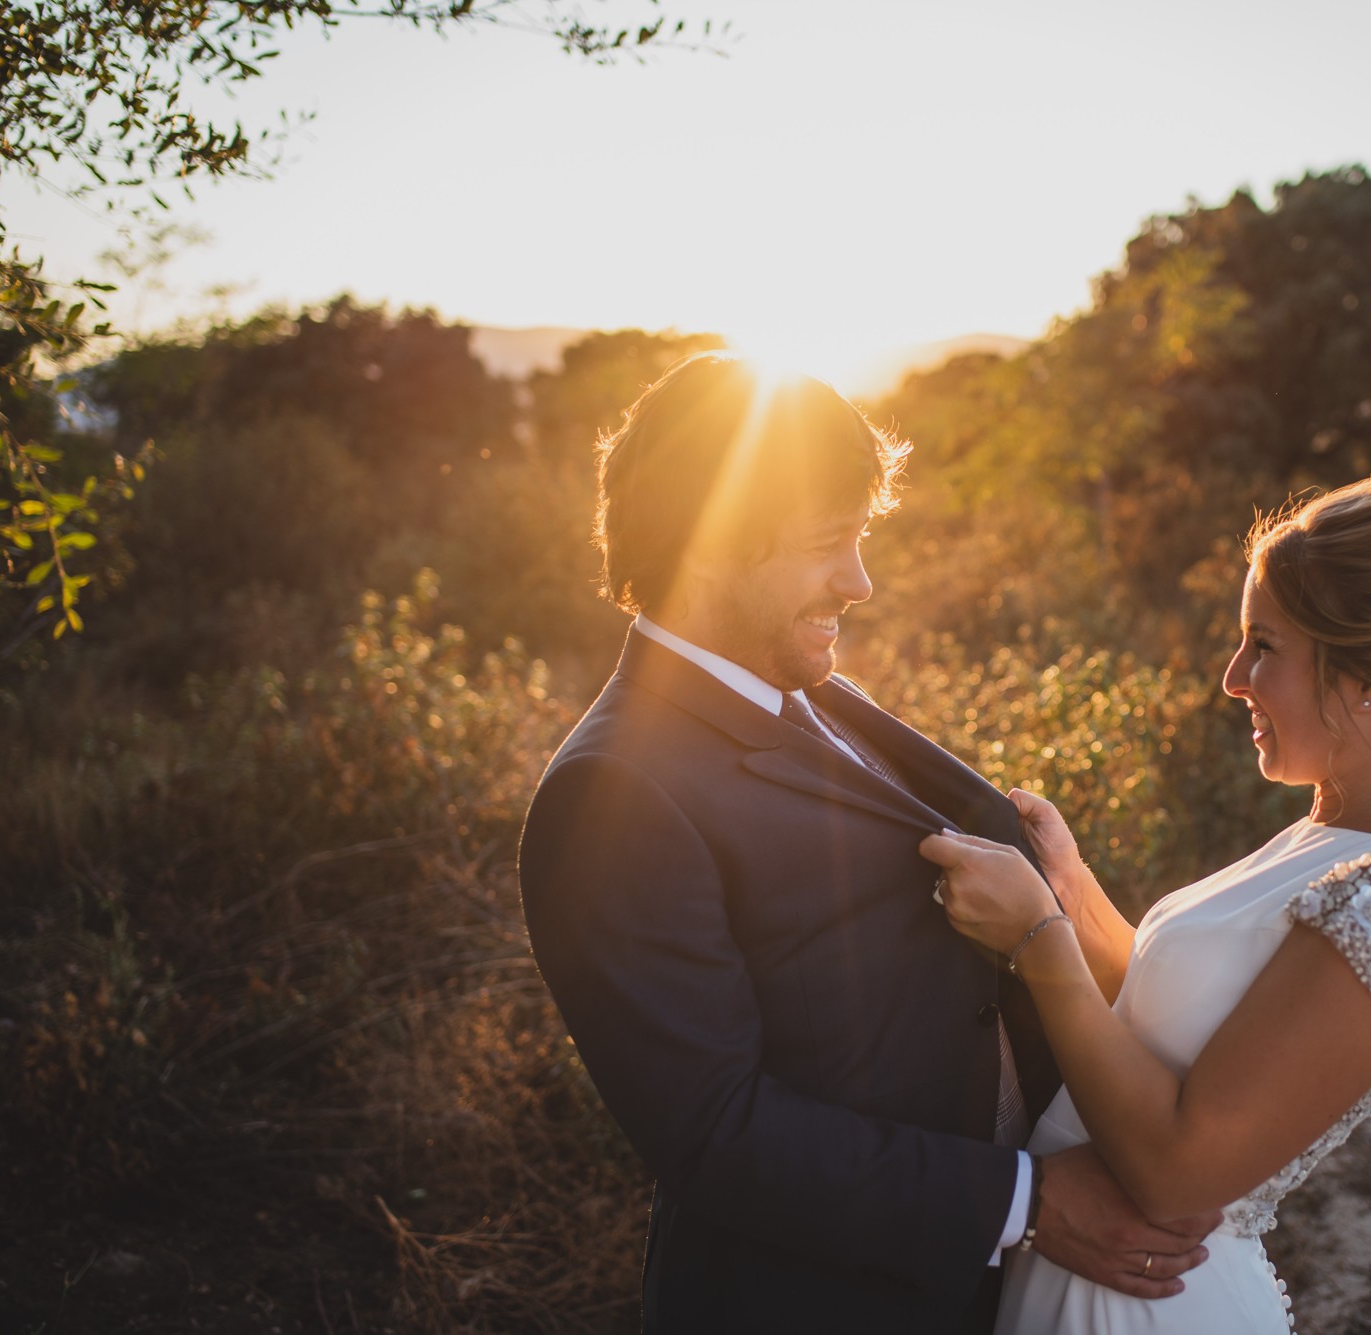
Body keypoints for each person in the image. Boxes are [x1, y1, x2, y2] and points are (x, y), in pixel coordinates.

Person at [516, 353, 1220, 1335]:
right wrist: (1030, 1203)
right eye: (827, 543)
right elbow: (717, 1132)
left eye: (861, 537)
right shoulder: (614, 791)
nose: (860, 581)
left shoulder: (810, 688)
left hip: (987, 1291)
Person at [921, 472, 1371, 1333]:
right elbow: (1177, 1022)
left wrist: (1041, 941)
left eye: (1263, 645)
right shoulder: (1332, 831)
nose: (1234, 678)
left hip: (1145, 1306)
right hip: (1083, 1276)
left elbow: (1178, 1172)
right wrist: (1072, 895)